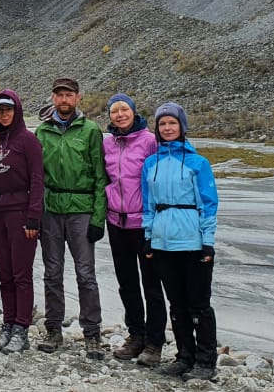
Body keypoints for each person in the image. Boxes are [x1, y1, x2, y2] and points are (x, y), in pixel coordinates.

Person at [142, 102, 219, 381]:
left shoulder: (199, 163)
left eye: (172, 123)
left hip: (192, 242)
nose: (167, 128)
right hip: (163, 243)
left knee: (198, 304)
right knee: (176, 304)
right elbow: (148, 205)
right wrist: (148, 238)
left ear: (182, 127)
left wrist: (207, 242)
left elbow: (209, 205)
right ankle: (185, 356)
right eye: (162, 124)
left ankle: (206, 359)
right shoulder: (151, 163)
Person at [34, 77, 108, 359]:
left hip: (81, 208)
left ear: (78, 98)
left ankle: (92, 333)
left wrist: (98, 218)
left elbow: (101, 177)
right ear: (53, 99)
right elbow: (36, 177)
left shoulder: (90, 131)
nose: (63, 100)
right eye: (59, 95)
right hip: (51, 209)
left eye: (68, 95)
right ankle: (54, 329)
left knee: (85, 274)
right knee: (52, 273)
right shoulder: (43, 132)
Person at [102, 93, 164, 366]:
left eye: (124, 109)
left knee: (152, 284)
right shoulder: (108, 143)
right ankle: (135, 335)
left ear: (134, 112)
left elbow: (160, 179)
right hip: (116, 222)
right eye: (115, 111)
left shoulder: (150, 141)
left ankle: (155, 342)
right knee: (127, 283)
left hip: (143, 223)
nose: (120, 115)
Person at [0, 89, 43, 354]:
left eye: (8, 109)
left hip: (20, 211)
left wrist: (33, 218)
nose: (4, 114)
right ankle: (7, 323)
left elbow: (38, 181)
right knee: (4, 273)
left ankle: (22, 328)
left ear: (16, 111)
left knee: (21, 274)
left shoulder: (28, 140)